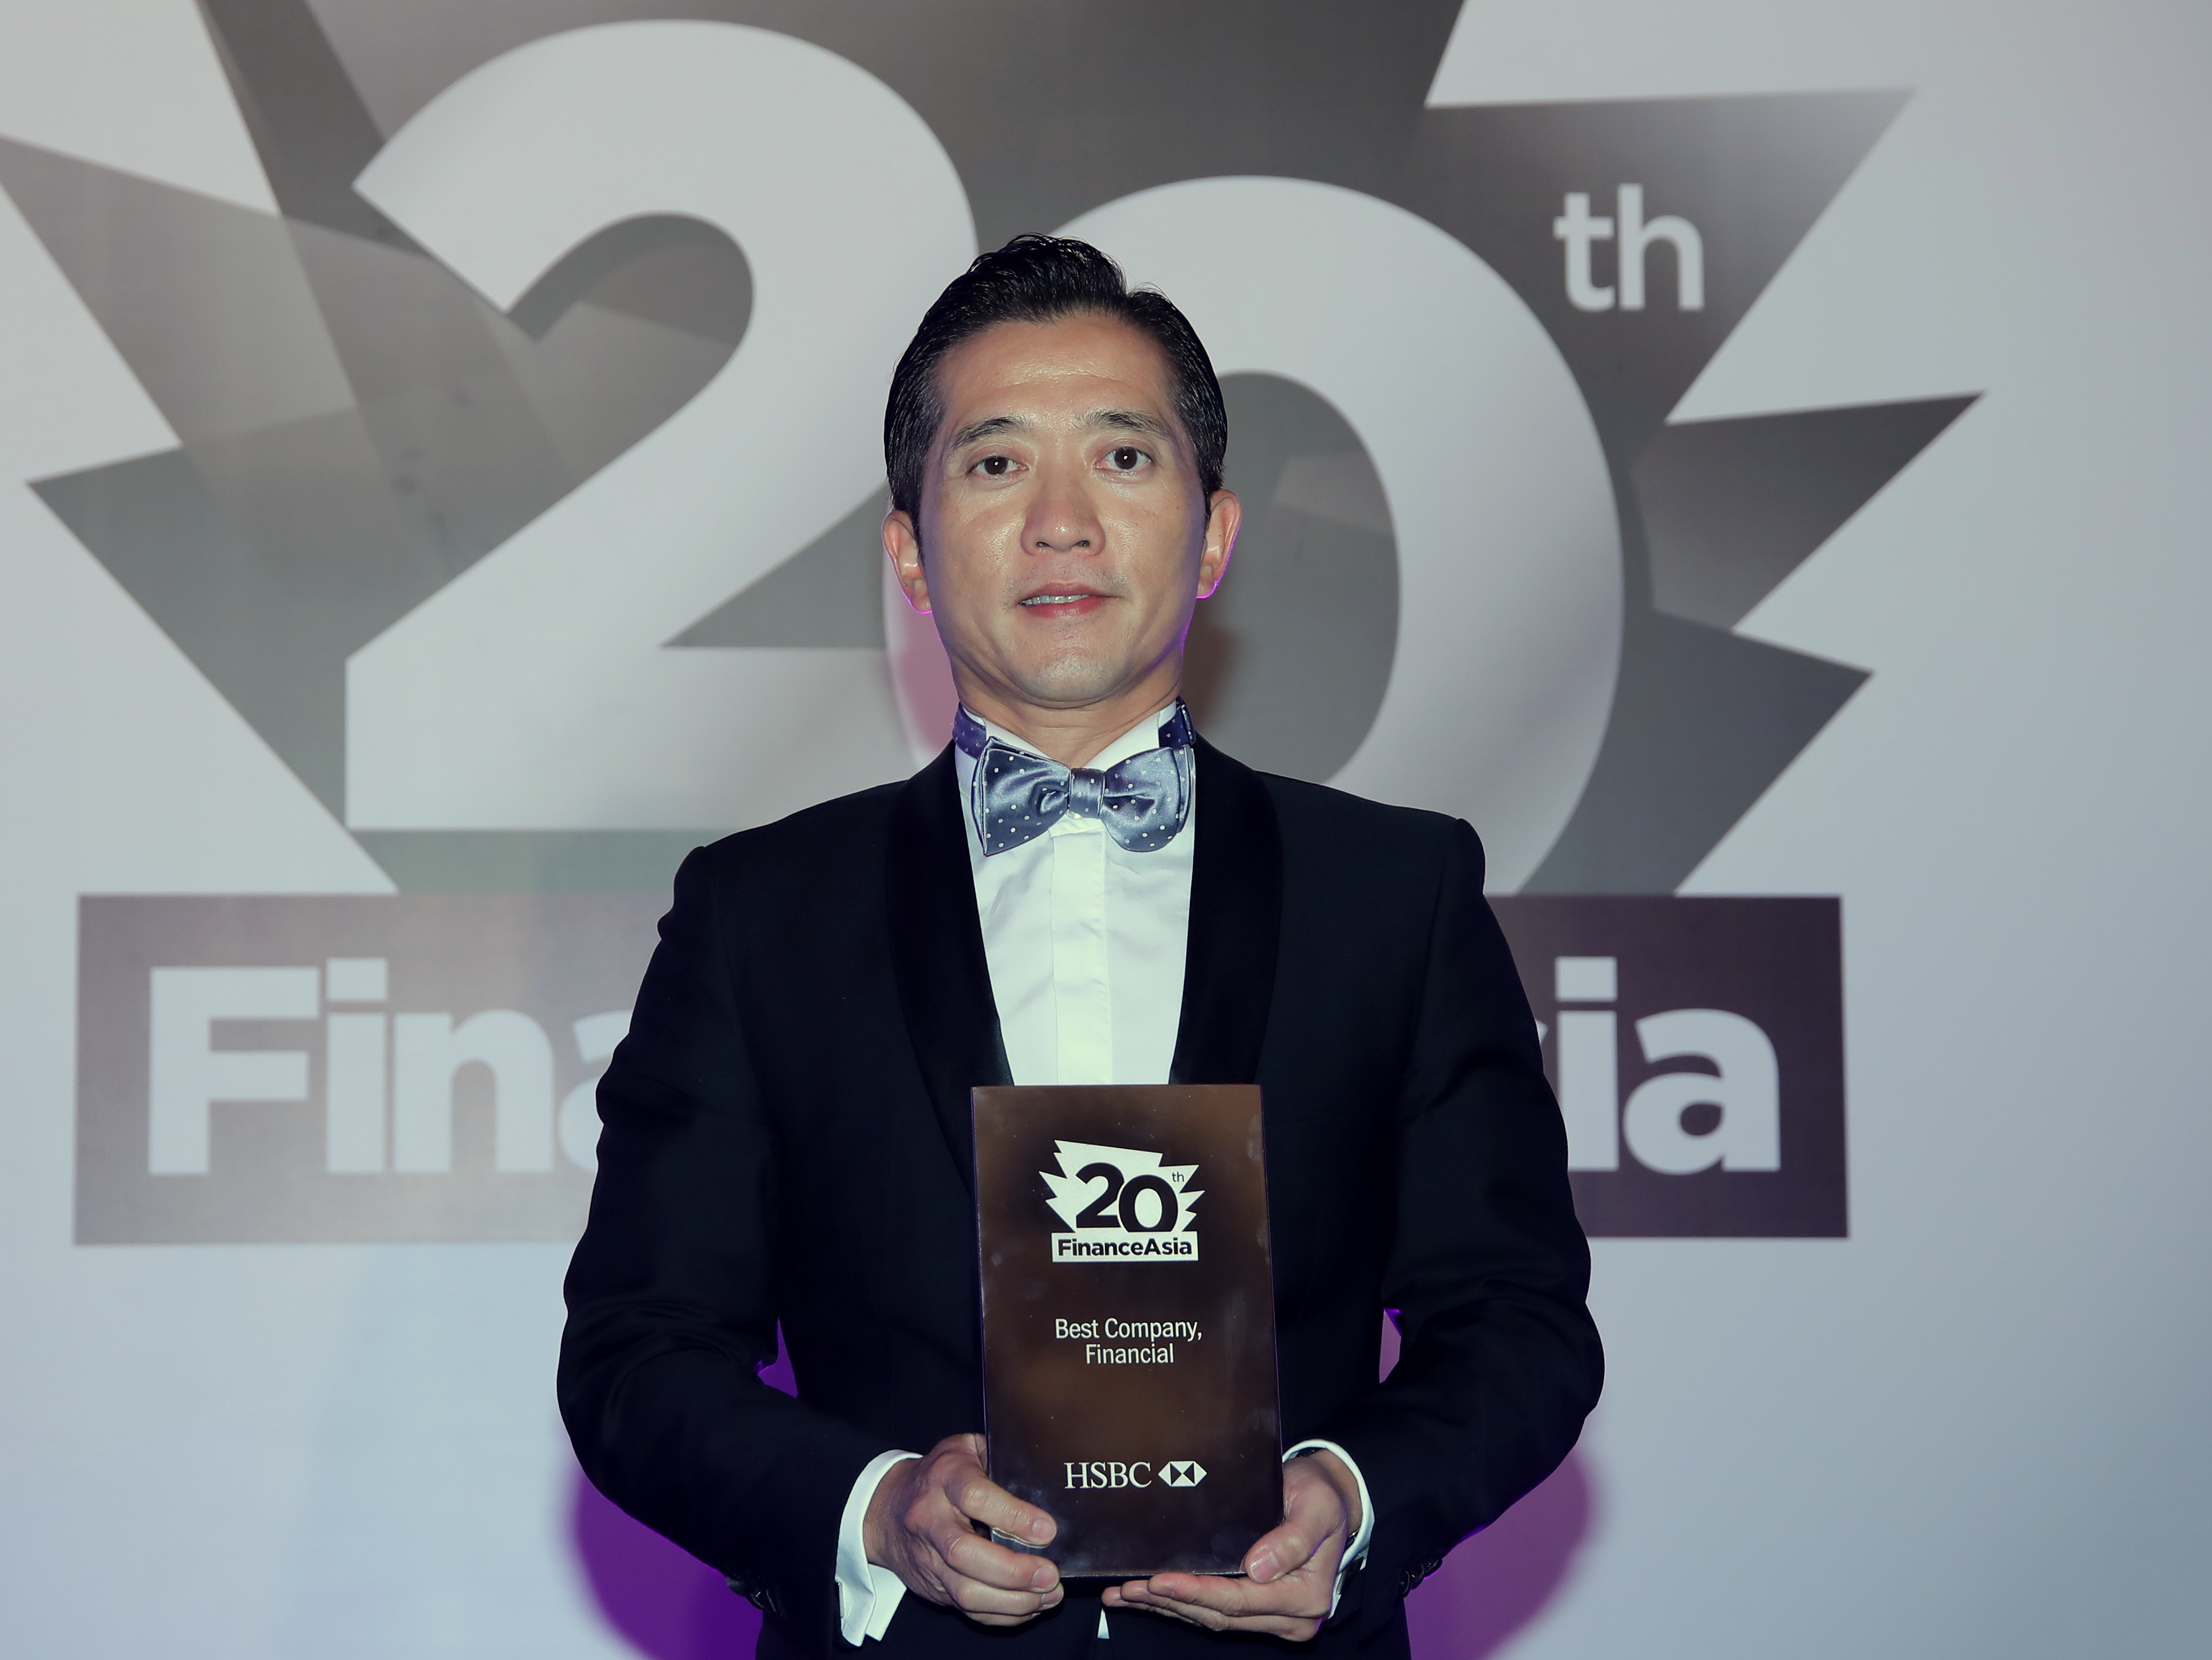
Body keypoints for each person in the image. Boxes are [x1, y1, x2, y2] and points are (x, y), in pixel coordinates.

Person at [559, 236, 1601, 1660]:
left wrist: (1353, 1499)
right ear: (909, 552)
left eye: (1122, 456)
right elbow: (637, 1351)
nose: (1062, 521)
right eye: (996, 463)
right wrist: (878, 1512)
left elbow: (1519, 1320)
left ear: (1214, 534)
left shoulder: (1396, 893)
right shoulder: (759, 914)